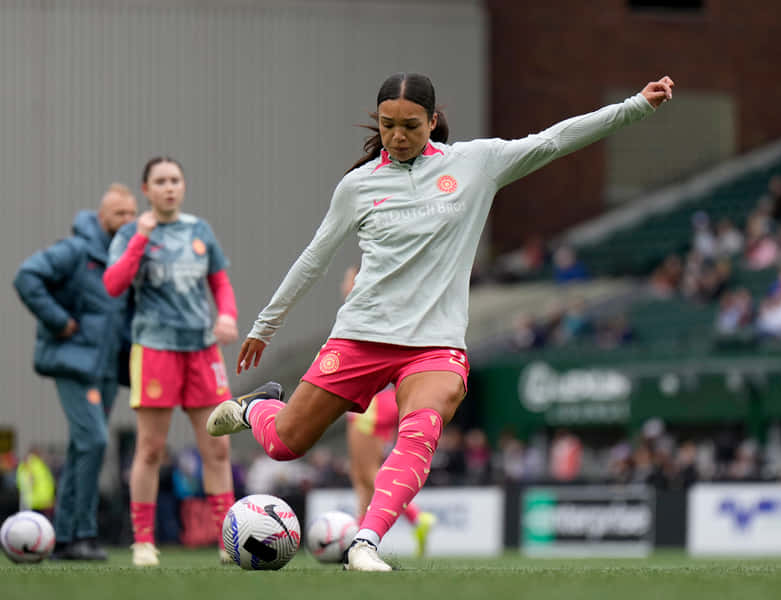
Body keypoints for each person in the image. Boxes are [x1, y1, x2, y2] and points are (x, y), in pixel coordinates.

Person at [207, 72, 674, 571]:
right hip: (361, 336)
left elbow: (553, 140)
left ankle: (365, 544)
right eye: (388, 125)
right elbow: (314, 259)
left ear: (433, 121)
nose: (397, 136)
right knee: (285, 444)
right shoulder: (358, 186)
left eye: (410, 125)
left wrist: (635, 106)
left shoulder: (475, 164)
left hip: (435, 344)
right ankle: (258, 408)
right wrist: (265, 325)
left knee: (420, 431)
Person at [103, 157, 239, 567]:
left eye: (175, 180)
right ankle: (143, 542)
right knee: (150, 448)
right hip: (155, 349)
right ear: (146, 189)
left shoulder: (199, 230)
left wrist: (227, 315)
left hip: (202, 350)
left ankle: (228, 539)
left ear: (184, 186)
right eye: (160, 181)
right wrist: (141, 239)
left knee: (217, 447)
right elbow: (113, 284)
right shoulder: (131, 232)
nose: (169, 187)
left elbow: (219, 281)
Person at [13, 184, 137, 560]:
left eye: (132, 214)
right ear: (102, 216)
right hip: (73, 363)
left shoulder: (127, 258)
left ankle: (65, 537)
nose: (127, 220)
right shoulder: (76, 250)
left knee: (82, 446)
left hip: (106, 370)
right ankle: (82, 533)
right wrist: (59, 320)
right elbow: (27, 276)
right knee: (94, 441)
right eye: (119, 214)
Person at [339, 266, 436, 556]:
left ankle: (417, 517)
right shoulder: (387, 311)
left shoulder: (364, 312)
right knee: (360, 476)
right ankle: (360, 537)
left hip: (371, 401)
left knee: (366, 472)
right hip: (382, 400)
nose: (343, 284)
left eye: (347, 278)